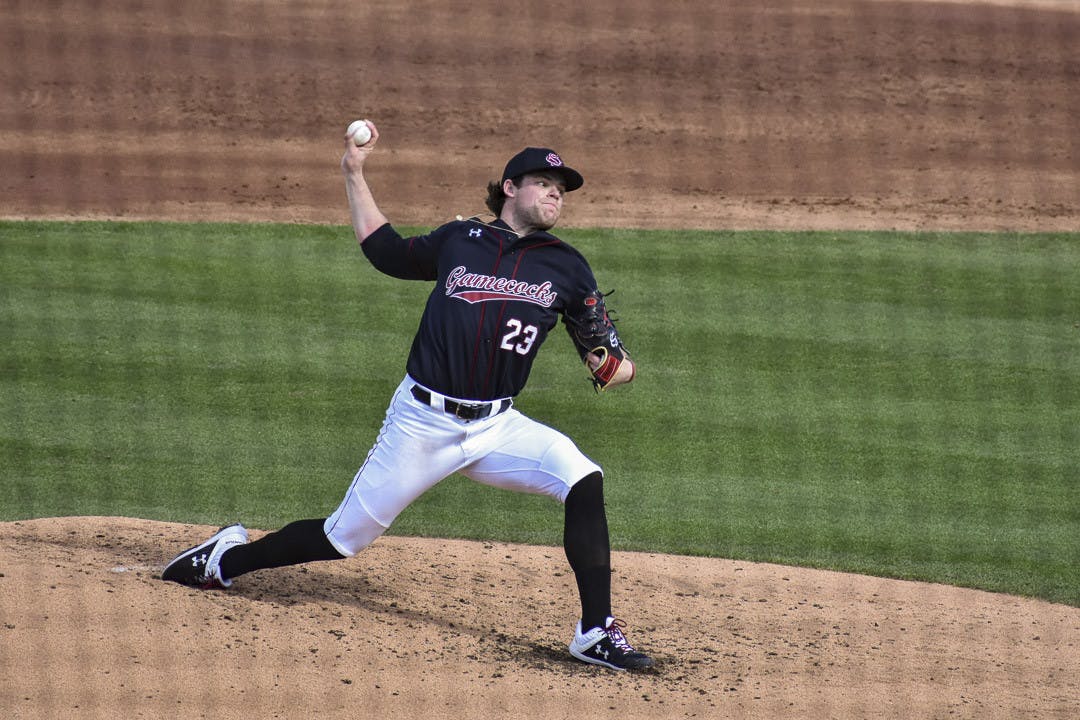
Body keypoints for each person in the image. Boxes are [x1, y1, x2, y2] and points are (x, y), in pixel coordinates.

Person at [162, 121, 653, 671]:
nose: (556, 193)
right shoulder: (459, 240)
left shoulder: (567, 264)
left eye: (562, 188)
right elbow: (385, 250)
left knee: (582, 478)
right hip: (421, 424)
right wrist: (353, 173)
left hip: (497, 428)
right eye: (545, 181)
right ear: (511, 188)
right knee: (342, 538)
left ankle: (594, 632)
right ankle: (224, 560)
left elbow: (609, 355)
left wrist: (615, 366)